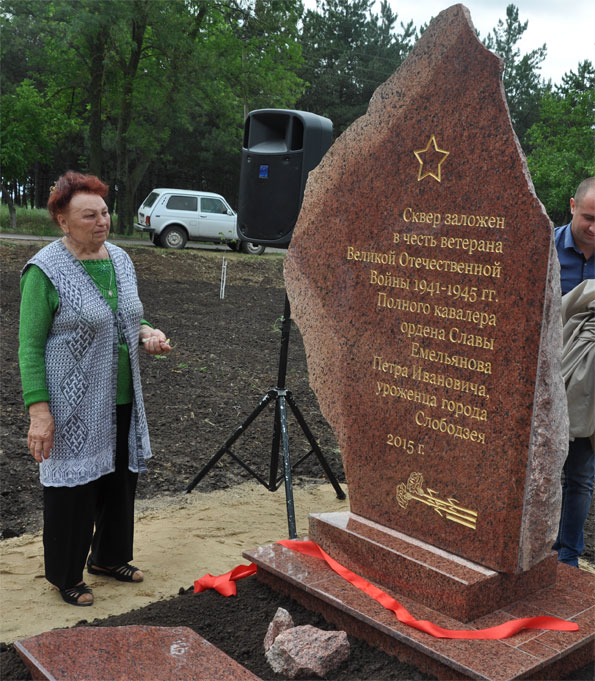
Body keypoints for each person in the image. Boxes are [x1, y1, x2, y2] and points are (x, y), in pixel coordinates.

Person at [18, 171, 171, 606]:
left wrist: (147, 333)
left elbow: (127, 317)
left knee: (120, 480)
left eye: (104, 212)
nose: (101, 221)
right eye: (88, 215)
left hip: (122, 396)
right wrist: (39, 412)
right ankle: (66, 575)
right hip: (70, 403)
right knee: (73, 490)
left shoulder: (121, 260)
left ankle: (108, 557)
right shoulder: (44, 271)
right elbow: (29, 348)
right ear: (63, 221)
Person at [553, 176, 595, 566]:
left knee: (580, 475)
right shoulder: (543, 248)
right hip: (545, 382)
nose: (594, 228)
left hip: (589, 390)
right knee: (540, 471)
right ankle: (536, 547)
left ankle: (568, 557)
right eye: (589, 217)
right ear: (571, 206)